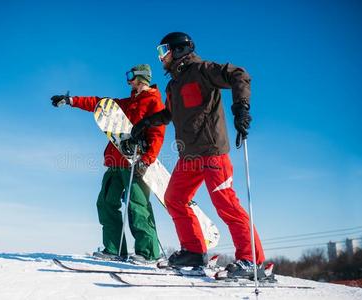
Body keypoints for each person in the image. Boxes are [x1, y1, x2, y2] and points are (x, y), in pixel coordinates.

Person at [130, 32, 265, 277]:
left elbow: (239, 75)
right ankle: (193, 251)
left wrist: (241, 108)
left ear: (178, 50)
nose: (161, 58)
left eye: (163, 52)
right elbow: (169, 114)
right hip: (189, 157)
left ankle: (251, 260)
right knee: (174, 198)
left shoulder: (203, 70)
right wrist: (146, 122)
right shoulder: (173, 85)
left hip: (213, 153)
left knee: (226, 205)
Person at [51, 64, 166, 264]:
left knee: (137, 206)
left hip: (135, 163)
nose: (128, 80)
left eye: (131, 76)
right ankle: (114, 249)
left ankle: (148, 253)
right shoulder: (126, 102)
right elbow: (98, 104)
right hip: (115, 162)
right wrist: (70, 100)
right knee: (105, 203)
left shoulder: (154, 103)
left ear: (141, 78)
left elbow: (158, 135)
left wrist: (146, 160)